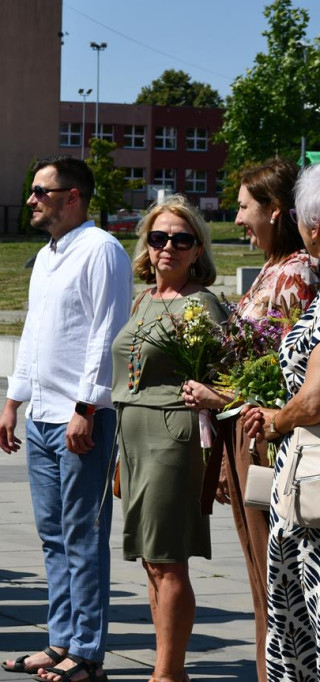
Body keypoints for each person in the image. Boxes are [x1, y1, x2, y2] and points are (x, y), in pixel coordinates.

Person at [0, 156, 132, 682]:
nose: (31, 199)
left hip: (81, 419)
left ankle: (88, 652)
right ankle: (60, 641)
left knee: (84, 534)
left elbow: (107, 334)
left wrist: (87, 407)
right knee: (53, 535)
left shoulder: (101, 251)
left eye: (41, 191)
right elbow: (35, 333)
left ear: (72, 196)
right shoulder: (49, 254)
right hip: (42, 415)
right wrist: (13, 400)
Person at [180, 157, 317, 681]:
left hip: (268, 438)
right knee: (262, 579)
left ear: (276, 211)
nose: (236, 219)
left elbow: (286, 375)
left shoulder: (298, 273)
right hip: (246, 430)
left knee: (274, 580)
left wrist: (222, 397)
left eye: (243, 207)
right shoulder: (272, 268)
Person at [112, 195, 225, 682]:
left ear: (198, 249)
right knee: (151, 562)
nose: (168, 248)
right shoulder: (145, 298)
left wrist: (211, 398)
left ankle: (168, 675)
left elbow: (229, 380)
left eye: (182, 240)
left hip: (172, 437)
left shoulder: (200, 305)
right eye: (159, 238)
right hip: (133, 436)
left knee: (167, 559)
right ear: (147, 243)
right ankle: (166, 668)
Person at [243, 162, 320, 681]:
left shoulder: (299, 275)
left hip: (312, 482)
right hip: (300, 478)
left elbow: (313, 401)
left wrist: (275, 419)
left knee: (304, 624)